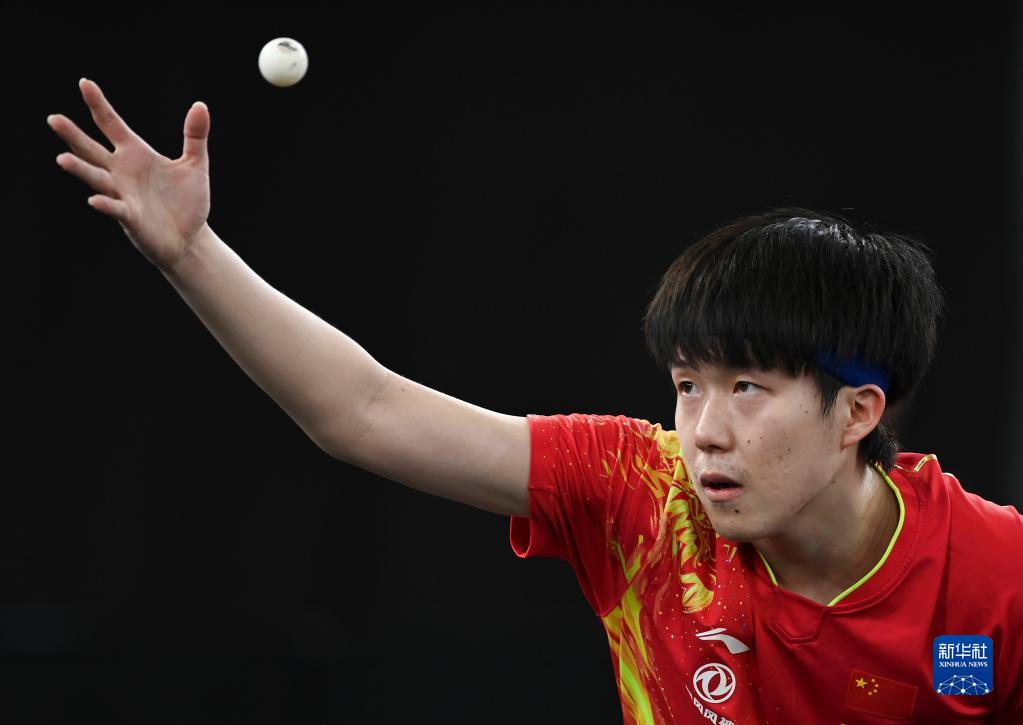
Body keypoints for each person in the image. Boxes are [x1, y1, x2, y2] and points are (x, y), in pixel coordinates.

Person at [48, 78, 1022, 723]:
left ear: (857, 412)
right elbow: (364, 410)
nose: (704, 431)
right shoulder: (644, 492)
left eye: (748, 388)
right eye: (687, 385)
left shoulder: (996, 575)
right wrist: (191, 253)